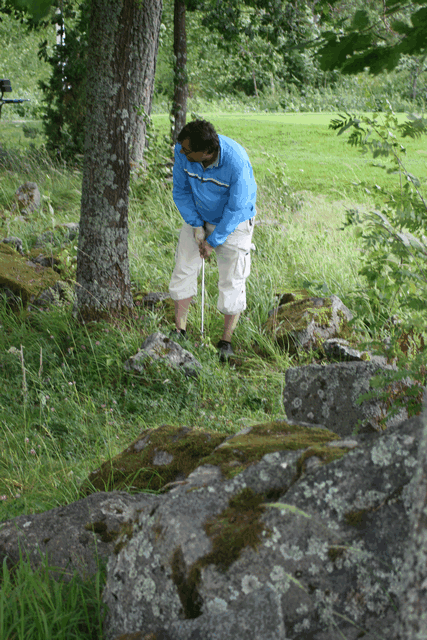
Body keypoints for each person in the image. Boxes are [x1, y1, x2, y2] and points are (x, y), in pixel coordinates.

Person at [169, 119, 257, 360]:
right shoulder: (182, 151)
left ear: (207, 152)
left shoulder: (236, 161)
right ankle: (179, 330)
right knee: (183, 268)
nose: (181, 153)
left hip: (234, 222)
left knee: (232, 278)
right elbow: (181, 191)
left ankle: (226, 341)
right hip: (198, 214)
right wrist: (197, 226)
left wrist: (212, 241)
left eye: (188, 151)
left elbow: (236, 208)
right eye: (182, 148)